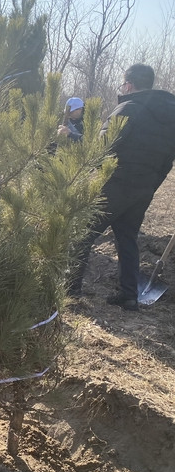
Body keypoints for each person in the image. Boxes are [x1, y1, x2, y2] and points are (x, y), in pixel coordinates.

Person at [69, 64, 175, 311]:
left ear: (128, 85)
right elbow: (167, 163)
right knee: (127, 239)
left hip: (115, 185)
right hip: (143, 189)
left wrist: (72, 137)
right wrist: (149, 187)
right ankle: (129, 295)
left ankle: (70, 291)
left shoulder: (128, 108)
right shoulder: (171, 117)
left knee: (83, 233)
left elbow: (100, 150)